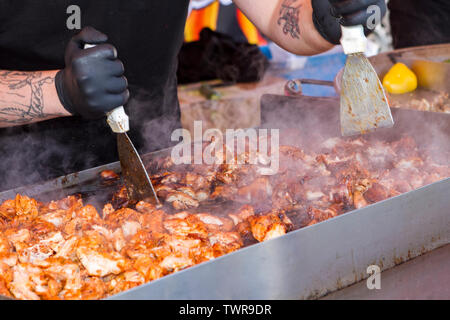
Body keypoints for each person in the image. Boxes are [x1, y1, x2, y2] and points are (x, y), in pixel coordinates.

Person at [0, 0, 385, 191]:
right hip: (16, 189)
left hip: (157, 173)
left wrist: (326, 20)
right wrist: (58, 92)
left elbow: (280, 17)